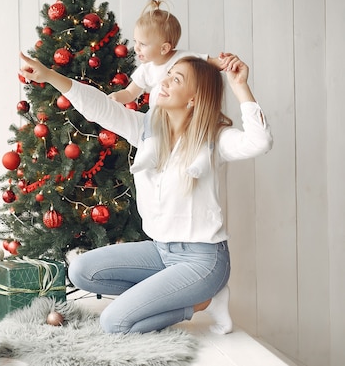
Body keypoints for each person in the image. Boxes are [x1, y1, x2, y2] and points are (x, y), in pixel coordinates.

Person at [18, 50, 272, 335]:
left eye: (176, 79)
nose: (164, 82)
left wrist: (239, 86)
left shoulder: (214, 140)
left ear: (193, 99)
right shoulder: (145, 129)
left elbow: (259, 141)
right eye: (168, 75)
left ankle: (200, 302)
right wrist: (50, 76)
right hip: (161, 252)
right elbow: (99, 107)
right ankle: (173, 297)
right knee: (80, 271)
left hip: (204, 260)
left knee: (114, 322)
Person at [111, 0, 226, 178]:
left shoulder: (185, 58)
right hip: (161, 116)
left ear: (164, 48)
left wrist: (226, 62)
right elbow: (130, 92)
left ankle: (203, 159)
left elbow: (212, 63)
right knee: (150, 118)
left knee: (205, 127)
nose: (137, 48)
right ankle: (150, 151)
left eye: (143, 44)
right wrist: (116, 97)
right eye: (136, 42)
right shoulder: (146, 69)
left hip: (185, 114)